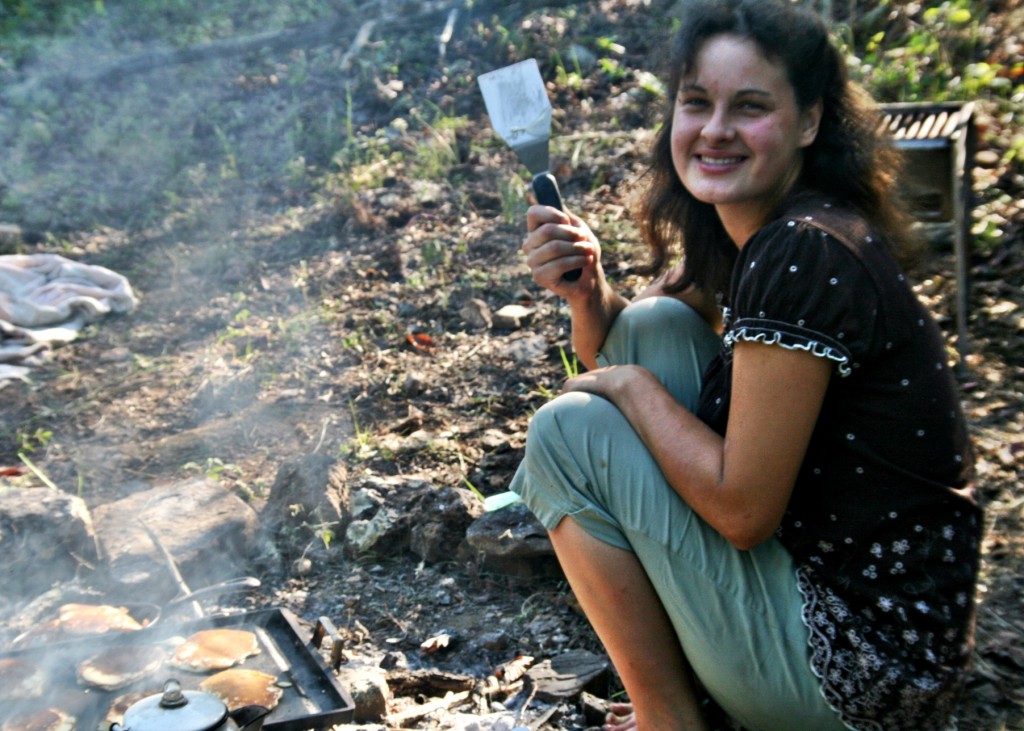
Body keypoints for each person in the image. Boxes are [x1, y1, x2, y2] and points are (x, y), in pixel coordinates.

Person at [508, 0, 984, 729]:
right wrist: (587, 288)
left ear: (810, 122)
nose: (716, 129)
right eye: (696, 102)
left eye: (751, 106)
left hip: (863, 671)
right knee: (656, 324)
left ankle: (671, 720)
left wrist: (630, 389)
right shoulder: (759, 227)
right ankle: (694, 696)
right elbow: (623, 344)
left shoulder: (804, 250)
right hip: (862, 621)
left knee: (563, 435)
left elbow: (742, 511)